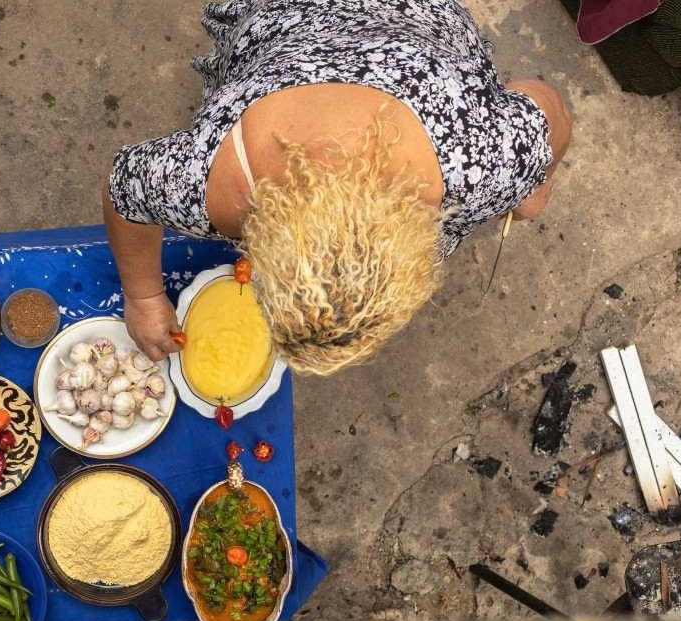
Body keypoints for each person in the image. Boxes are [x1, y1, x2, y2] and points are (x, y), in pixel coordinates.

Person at [104, 0, 572, 373]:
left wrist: (535, 177)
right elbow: (124, 190)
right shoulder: (207, 179)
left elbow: (546, 107)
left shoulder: (490, 161)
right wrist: (143, 297)